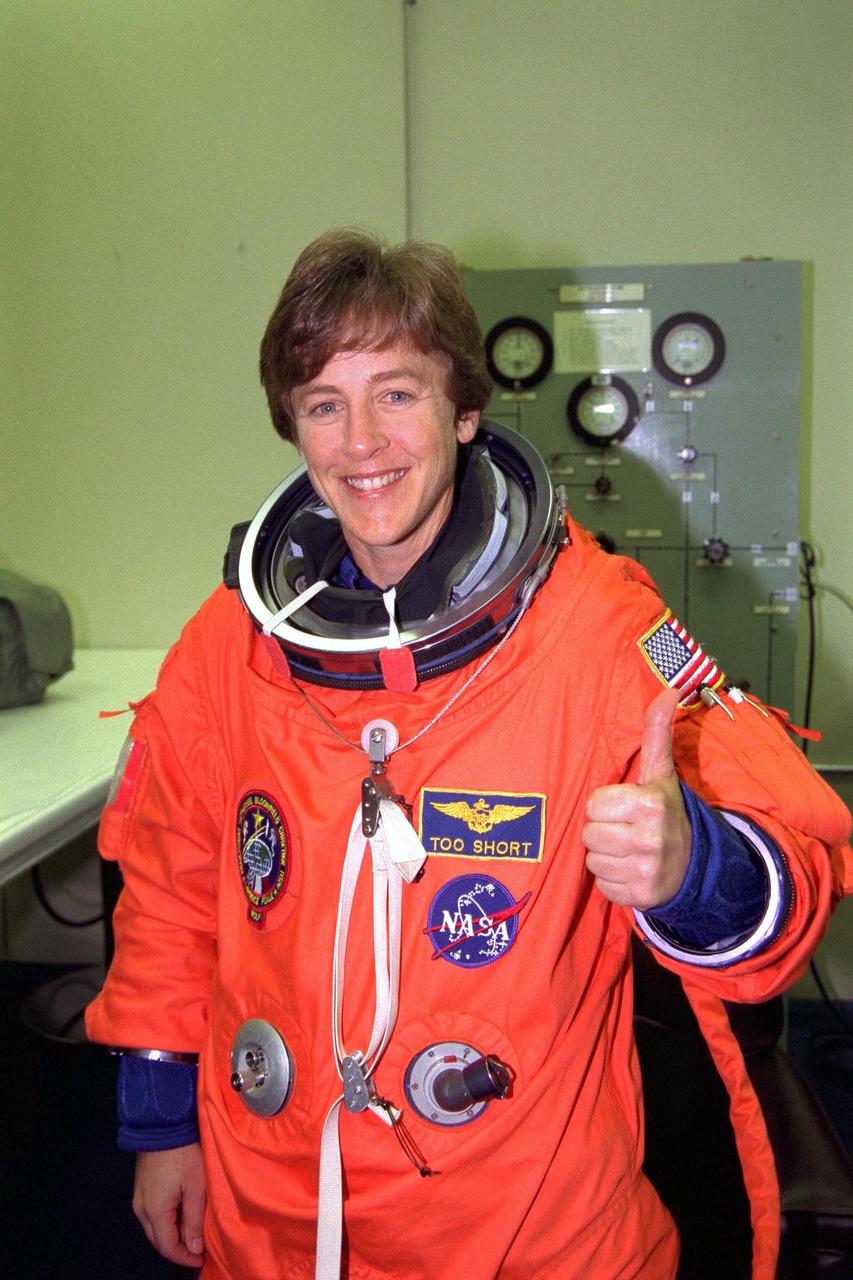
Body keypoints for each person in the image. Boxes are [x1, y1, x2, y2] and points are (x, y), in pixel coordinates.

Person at [86, 229, 852, 1280]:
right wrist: (161, 1122)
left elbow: (798, 868)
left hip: (528, 1224)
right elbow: (169, 890)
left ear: (463, 409)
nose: (361, 441)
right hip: (271, 1208)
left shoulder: (592, 627)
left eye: (396, 393)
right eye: (323, 402)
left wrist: (692, 869)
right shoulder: (231, 645)